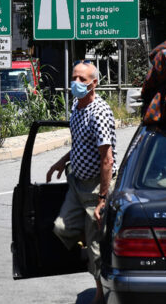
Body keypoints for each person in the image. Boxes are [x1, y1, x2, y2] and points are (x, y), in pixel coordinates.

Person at [47, 61, 117, 304]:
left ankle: (101, 293)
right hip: (77, 182)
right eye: (74, 77)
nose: (76, 83)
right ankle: (90, 248)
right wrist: (60, 162)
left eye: (82, 79)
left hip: (97, 186)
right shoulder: (77, 108)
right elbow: (79, 144)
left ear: (94, 83)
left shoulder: (99, 112)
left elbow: (106, 160)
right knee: (62, 228)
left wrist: (102, 199)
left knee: (97, 248)